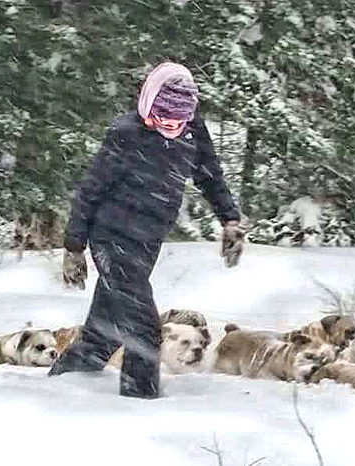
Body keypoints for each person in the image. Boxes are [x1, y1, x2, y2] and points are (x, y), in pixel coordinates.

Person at [49, 62, 244, 398]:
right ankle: (139, 404)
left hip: (147, 241)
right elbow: (89, 190)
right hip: (111, 238)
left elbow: (210, 177)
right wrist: (73, 246)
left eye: (176, 122)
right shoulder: (126, 134)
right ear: (147, 102)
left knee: (104, 330)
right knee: (144, 328)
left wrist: (230, 220)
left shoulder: (193, 132)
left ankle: (66, 384)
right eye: (161, 119)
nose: (168, 126)